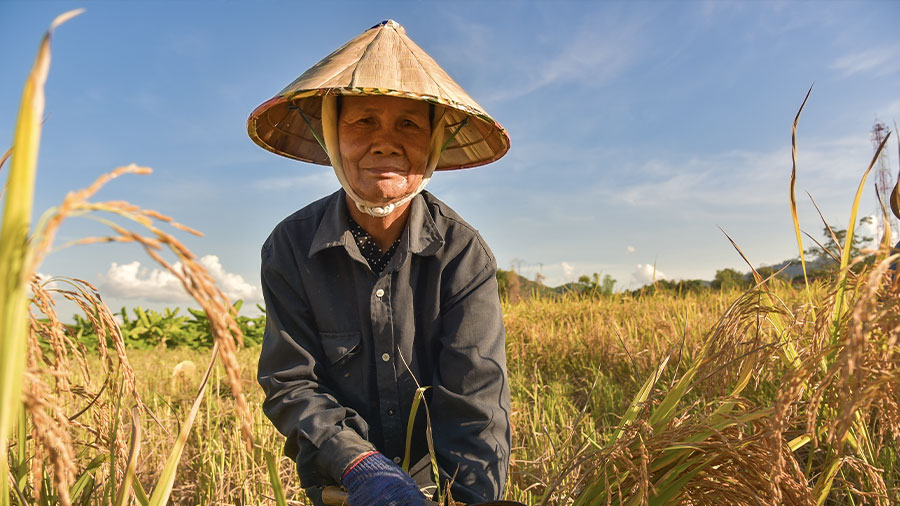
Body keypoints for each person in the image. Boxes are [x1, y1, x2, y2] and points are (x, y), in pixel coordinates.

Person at [248, 20, 511, 506]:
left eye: (409, 124)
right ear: (331, 133)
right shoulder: (290, 246)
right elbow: (291, 383)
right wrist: (362, 466)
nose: (385, 142)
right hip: (341, 482)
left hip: (439, 483)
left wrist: (472, 498)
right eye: (363, 120)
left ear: (432, 142)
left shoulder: (461, 253)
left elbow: (476, 402)